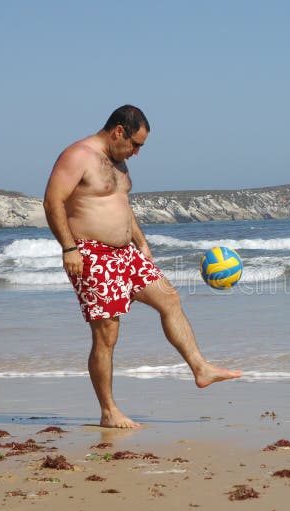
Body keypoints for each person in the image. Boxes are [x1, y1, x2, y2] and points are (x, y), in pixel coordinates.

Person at [43, 105, 242, 428]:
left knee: (169, 298)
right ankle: (108, 412)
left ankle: (200, 369)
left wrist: (141, 241)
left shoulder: (118, 162)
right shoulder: (78, 155)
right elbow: (52, 201)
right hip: (92, 253)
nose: (137, 152)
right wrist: (69, 248)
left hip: (127, 253)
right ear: (118, 131)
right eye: (136, 144)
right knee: (107, 333)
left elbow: (120, 204)